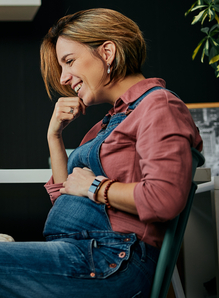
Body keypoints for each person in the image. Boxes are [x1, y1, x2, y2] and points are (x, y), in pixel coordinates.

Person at [0, 8, 202, 298]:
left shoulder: (159, 106)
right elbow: (65, 197)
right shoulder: (106, 123)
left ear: (107, 52)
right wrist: (54, 136)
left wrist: (94, 186)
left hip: (112, 262)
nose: (64, 78)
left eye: (69, 61)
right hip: (80, 253)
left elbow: (164, 199)